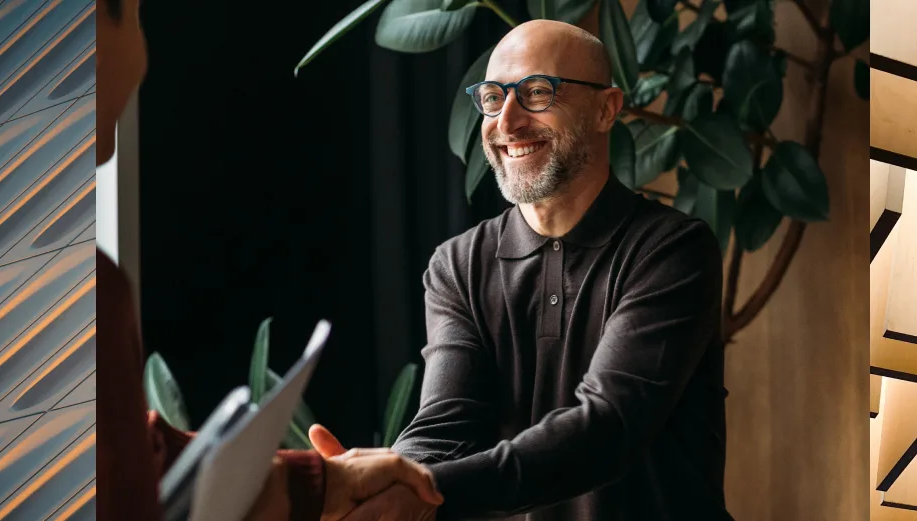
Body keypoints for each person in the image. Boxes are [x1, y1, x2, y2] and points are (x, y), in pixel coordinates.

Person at [309, 19, 732, 521]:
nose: (506, 122)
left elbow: (608, 427)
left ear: (605, 108)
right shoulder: (457, 265)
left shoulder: (671, 249)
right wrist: (389, 484)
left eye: (536, 92)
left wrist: (420, 489)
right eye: (493, 97)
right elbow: (446, 422)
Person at [95, 0, 444, 519]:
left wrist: (318, 483)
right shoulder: (89, 294)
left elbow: (119, 457)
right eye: (132, 15)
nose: (142, 55)